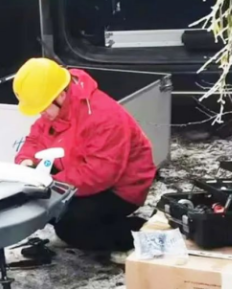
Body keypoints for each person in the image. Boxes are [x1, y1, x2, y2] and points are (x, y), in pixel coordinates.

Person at [13, 58, 156, 259]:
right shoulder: (56, 109)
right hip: (76, 174)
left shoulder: (103, 116)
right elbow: (35, 139)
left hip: (121, 188)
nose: (41, 114)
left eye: (43, 107)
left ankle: (140, 233)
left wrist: (51, 184)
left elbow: (100, 174)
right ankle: (87, 225)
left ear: (60, 95)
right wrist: (26, 161)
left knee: (70, 226)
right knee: (46, 206)